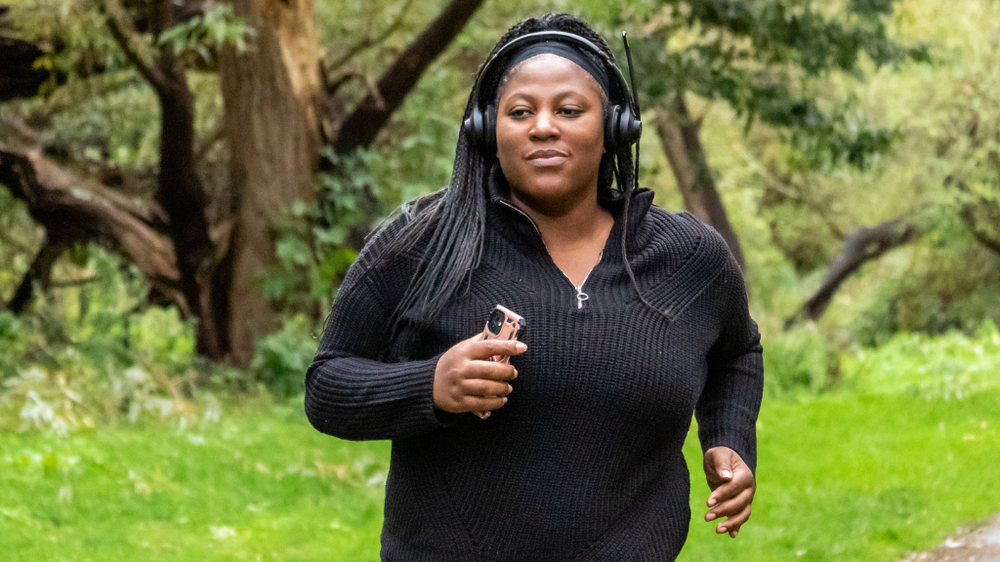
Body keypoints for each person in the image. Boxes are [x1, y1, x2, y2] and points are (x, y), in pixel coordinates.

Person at [305, 12, 763, 562]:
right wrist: (430, 386)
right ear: (486, 129)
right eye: (520, 112)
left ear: (615, 127)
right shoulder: (421, 244)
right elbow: (327, 386)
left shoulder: (687, 258)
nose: (543, 126)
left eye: (569, 110)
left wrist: (729, 437)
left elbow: (737, 351)